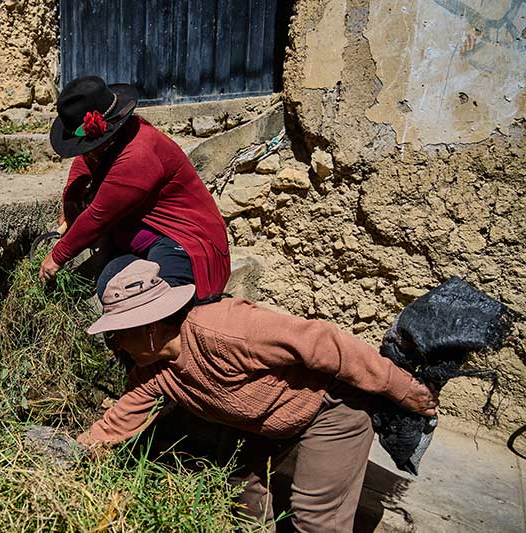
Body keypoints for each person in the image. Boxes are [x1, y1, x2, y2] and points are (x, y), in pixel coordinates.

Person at [78, 257, 440, 532]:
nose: (116, 341)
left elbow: (324, 343)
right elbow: (117, 423)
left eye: (120, 331)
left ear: (152, 326)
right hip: (266, 423)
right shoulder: (152, 370)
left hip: (329, 409)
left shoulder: (224, 328)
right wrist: (74, 455)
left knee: (315, 517)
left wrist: (401, 387)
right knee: (242, 492)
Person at [39, 75, 229, 299]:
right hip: (141, 244)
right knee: (110, 287)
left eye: (88, 147)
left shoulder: (138, 154)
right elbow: (83, 163)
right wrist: (71, 198)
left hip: (185, 241)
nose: (86, 152)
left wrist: (56, 257)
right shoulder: (114, 139)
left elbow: (98, 216)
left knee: (159, 294)